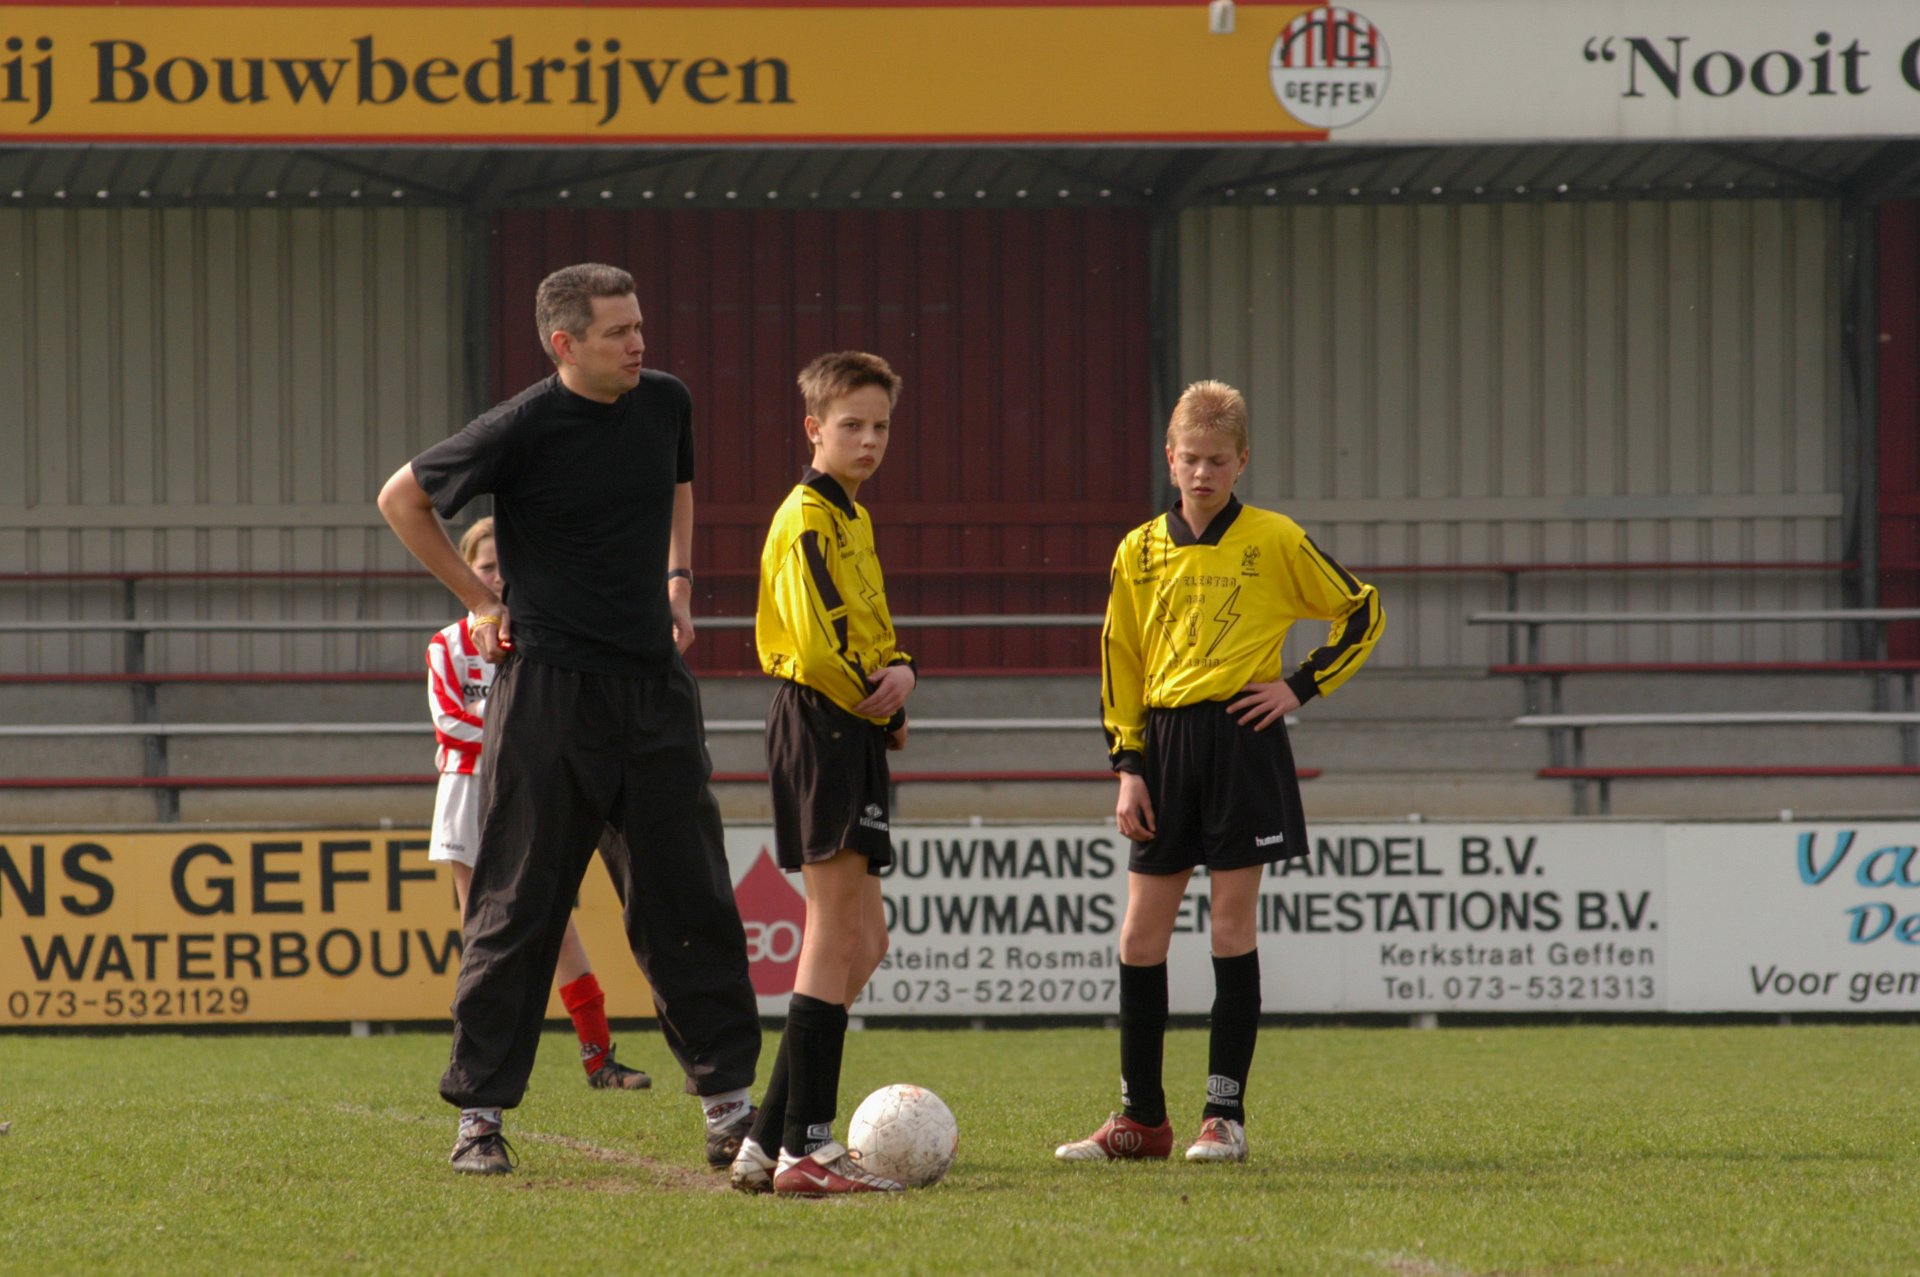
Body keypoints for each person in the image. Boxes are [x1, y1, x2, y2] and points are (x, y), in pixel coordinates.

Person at [377, 262, 760, 1177]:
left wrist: (677, 577)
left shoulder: (665, 401)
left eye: (639, 325)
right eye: (618, 331)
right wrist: (480, 598)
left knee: (690, 898)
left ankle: (730, 1107)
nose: (639, 343)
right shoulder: (520, 426)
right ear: (565, 344)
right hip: (549, 694)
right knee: (518, 903)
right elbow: (401, 498)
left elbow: (679, 482)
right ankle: (479, 1116)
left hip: (655, 692)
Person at [1056, 379, 1383, 1166]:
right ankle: (1141, 1117)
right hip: (1164, 747)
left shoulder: (1275, 538)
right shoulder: (1138, 550)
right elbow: (1120, 659)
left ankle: (1223, 1115)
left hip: (1242, 740)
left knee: (1230, 928)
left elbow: (1363, 610)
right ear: (1169, 457)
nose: (1202, 473)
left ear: (1243, 461)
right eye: (1190, 458)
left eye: (1218, 460)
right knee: (1140, 935)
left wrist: (1299, 685)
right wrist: (1128, 765)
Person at [727, 352, 915, 1196]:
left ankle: (766, 1139)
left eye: (880, 426)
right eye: (851, 425)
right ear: (813, 429)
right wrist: (882, 700)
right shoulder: (806, 515)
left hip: (853, 723)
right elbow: (819, 643)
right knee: (835, 932)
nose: (868, 439)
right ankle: (807, 1147)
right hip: (824, 720)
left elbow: (869, 626)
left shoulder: (853, 517)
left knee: (865, 940)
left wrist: (901, 674)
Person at [426, 515, 651, 1092]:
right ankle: (476, 1066)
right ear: (466, 572)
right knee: (484, 933)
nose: (497, 577)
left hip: (527, 784)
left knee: (556, 926)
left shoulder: (539, 640)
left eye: (505, 566)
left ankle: (599, 1059)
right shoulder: (446, 644)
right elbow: (449, 723)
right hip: (469, 789)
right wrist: (517, 728)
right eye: (485, 567)